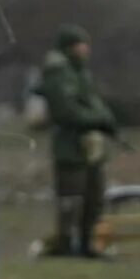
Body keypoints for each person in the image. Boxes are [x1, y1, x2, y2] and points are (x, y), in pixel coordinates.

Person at [36, 24, 117, 258]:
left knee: (94, 198)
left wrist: (107, 121)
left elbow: (93, 102)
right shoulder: (58, 73)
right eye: (80, 45)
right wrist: (97, 120)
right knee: (71, 200)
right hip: (71, 147)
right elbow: (66, 111)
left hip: (91, 147)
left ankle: (87, 244)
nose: (85, 50)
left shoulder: (81, 73)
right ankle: (66, 244)